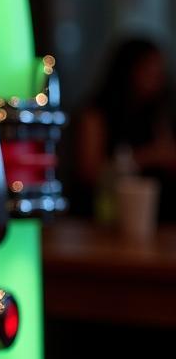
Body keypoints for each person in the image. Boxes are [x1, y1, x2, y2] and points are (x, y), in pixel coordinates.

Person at [74, 37, 176, 222]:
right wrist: (147, 156)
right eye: (149, 70)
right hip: (104, 213)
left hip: (157, 215)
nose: (157, 78)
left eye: (159, 71)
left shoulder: (160, 111)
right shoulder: (96, 113)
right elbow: (89, 172)